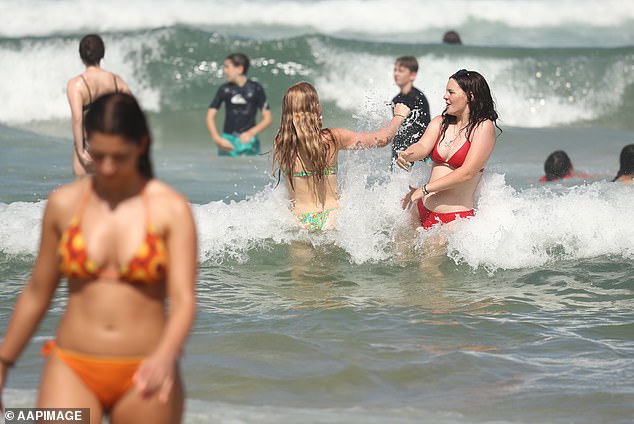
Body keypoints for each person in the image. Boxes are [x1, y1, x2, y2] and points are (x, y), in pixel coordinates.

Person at [0, 93, 197, 423]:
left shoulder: (171, 209)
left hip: (145, 369)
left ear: (142, 144)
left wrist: (165, 356)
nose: (106, 168)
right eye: (98, 154)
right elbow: (37, 291)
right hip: (72, 367)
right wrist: (4, 362)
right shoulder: (64, 204)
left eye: (119, 157)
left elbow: (183, 299)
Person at [272, 81, 411, 231]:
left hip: (299, 221)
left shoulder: (281, 144)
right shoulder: (332, 138)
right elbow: (382, 139)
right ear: (315, 107)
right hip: (331, 218)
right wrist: (399, 116)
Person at [396, 69, 500, 229]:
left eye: (451, 92)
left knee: (431, 255)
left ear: (470, 96)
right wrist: (407, 154)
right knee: (400, 254)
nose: (445, 96)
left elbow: (467, 172)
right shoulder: (440, 122)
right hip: (420, 210)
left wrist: (424, 189)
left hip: (453, 219)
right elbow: (422, 147)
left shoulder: (483, 127)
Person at [67, 33, 131, 177]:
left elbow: (77, 118)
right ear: (102, 53)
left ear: (81, 55)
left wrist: (81, 151)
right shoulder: (116, 81)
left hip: (89, 144)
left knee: (84, 193)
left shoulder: (76, 84)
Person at [206, 52, 272, 157]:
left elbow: (268, 118)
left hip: (249, 140)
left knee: (250, 171)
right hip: (227, 141)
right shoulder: (225, 89)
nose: (225, 70)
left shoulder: (256, 89)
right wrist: (217, 139)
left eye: (227, 67)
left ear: (240, 69)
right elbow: (210, 115)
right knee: (226, 172)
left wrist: (251, 133)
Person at [391, 56, 431, 166]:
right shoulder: (395, 100)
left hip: (417, 156)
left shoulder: (419, 99)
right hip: (398, 153)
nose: (396, 74)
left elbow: (427, 130)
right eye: (395, 70)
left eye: (401, 71)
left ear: (412, 75)